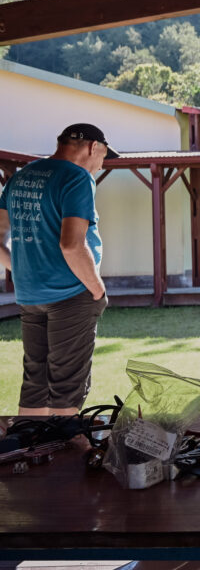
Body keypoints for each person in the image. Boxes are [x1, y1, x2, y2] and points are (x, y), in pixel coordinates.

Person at [0, 123, 118, 416]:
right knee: (66, 389)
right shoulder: (77, 178)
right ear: (93, 147)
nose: (101, 165)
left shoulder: (21, 177)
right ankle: (64, 454)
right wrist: (97, 288)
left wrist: (23, 270)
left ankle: (30, 451)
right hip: (70, 294)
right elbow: (72, 245)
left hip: (30, 295)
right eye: (103, 156)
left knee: (35, 382)